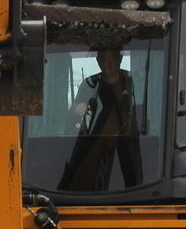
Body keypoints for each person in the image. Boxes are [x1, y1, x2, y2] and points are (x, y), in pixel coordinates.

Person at [61, 48, 144, 191]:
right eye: (102, 59)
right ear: (97, 61)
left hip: (129, 146)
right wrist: (77, 109)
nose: (107, 64)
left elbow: (143, 114)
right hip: (93, 145)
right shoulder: (89, 85)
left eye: (111, 59)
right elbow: (72, 116)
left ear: (120, 59)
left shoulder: (133, 83)